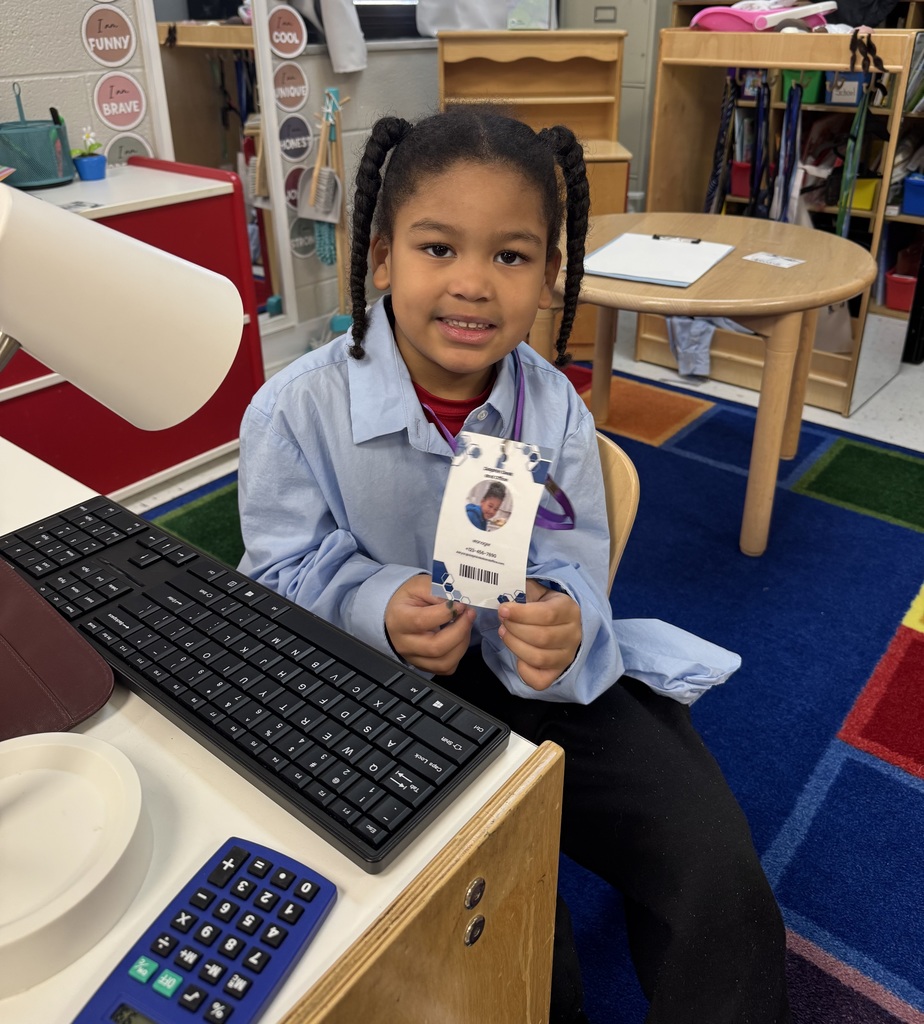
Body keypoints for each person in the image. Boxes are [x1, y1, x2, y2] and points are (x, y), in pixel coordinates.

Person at [237, 104, 791, 1024]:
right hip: (377, 690)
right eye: (438, 247)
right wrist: (378, 604)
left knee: (712, 866)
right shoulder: (294, 409)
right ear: (383, 258)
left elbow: (577, 566)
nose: (472, 284)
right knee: (512, 918)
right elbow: (273, 584)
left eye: (510, 255)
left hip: (532, 677)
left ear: (549, 273)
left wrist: (564, 622)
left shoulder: (555, 406)